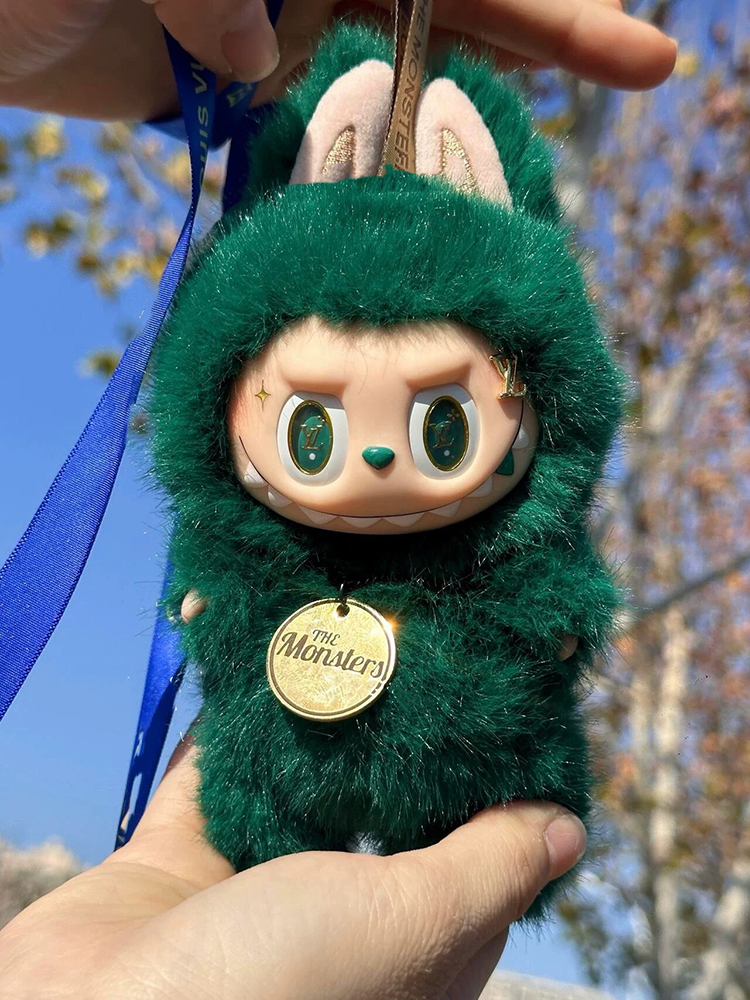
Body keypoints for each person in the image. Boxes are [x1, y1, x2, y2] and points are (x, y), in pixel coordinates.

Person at [0, 2, 675, 997]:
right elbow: (219, 585)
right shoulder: (258, 536)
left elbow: (553, 597)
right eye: (311, 429)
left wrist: (559, 618)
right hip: (278, 749)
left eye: (441, 425)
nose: (374, 455)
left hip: (468, 737)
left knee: (501, 765)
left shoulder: (506, 548)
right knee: (255, 788)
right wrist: (211, 594)